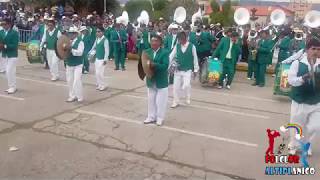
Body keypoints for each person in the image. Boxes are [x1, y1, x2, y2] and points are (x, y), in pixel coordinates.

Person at [287, 38, 320, 156]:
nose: (316, 51)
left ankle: (307, 145)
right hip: (300, 100)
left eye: (318, 49)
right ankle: (294, 145)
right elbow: (291, 81)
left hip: (316, 102)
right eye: (313, 49)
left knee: (315, 127)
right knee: (297, 125)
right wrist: (304, 78)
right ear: (307, 50)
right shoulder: (298, 63)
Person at [143, 35, 169, 126]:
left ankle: (160, 118)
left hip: (161, 81)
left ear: (160, 43)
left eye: (156, 41)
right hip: (150, 80)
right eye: (152, 41)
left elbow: (165, 66)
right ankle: (151, 117)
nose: (153, 43)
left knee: (160, 101)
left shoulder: (165, 52)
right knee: (151, 100)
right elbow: (143, 64)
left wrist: (154, 65)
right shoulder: (146, 52)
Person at [170, 31, 199, 108]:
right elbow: (171, 56)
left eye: (181, 40)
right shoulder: (177, 46)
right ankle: (175, 101)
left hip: (187, 70)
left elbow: (195, 58)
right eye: (179, 40)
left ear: (185, 38)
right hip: (178, 70)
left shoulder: (192, 46)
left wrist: (196, 69)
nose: (180, 41)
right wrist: (168, 65)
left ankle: (187, 96)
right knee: (175, 87)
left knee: (186, 85)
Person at [65, 26, 84, 102]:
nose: (71, 35)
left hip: (78, 64)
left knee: (77, 80)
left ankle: (79, 96)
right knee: (70, 81)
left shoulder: (80, 42)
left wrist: (71, 50)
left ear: (76, 34)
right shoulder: (67, 41)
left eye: (72, 33)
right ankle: (72, 96)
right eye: (70, 33)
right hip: (69, 63)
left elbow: (80, 53)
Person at [40, 17, 62, 81]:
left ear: (54, 25)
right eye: (48, 25)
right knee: (50, 63)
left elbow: (61, 40)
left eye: (51, 25)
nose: (49, 26)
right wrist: (40, 47)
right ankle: (54, 75)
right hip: (48, 50)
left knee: (54, 63)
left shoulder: (58, 32)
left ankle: (55, 76)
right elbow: (43, 40)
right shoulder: (46, 31)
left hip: (56, 51)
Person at [1, 18, 19, 94]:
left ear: (9, 24)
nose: (3, 26)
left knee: (9, 71)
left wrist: (4, 46)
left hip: (12, 55)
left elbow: (14, 45)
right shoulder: (1, 32)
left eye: (5, 24)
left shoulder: (14, 33)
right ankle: (12, 86)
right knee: (10, 72)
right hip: (5, 55)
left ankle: (12, 87)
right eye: (2, 24)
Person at [89, 26, 109, 91]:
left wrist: (105, 59)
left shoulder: (105, 40)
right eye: (97, 32)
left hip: (102, 59)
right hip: (97, 58)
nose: (97, 33)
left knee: (100, 73)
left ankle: (103, 85)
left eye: (99, 31)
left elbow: (107, 50)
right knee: (97, 73)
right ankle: (99, 84)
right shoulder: (97, 39)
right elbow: (93, 47)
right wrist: (89, 53)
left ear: (102, 32)